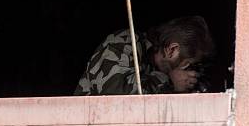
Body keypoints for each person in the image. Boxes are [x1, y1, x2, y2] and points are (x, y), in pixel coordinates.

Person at [74, 16, 215, 95]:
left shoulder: (159, 71)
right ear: (172, 50)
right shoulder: (125, 42)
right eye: (187, 63)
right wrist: (170, 82)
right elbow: (114, 95)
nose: (186, 69)